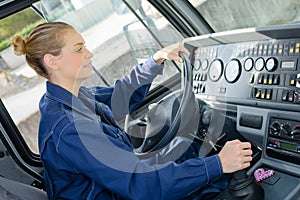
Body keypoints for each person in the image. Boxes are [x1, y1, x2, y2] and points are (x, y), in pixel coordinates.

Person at [12, 22, 253, 200]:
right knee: (219, 186)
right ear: (52, 61)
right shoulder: (70, 128)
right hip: (130, 190)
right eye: (78, 49)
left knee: (188, 146)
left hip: (125, 183)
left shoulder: (70, 98)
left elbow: (121, 97)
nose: (89, 54)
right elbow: (141, 185)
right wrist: (218, 164)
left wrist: (155, 61)